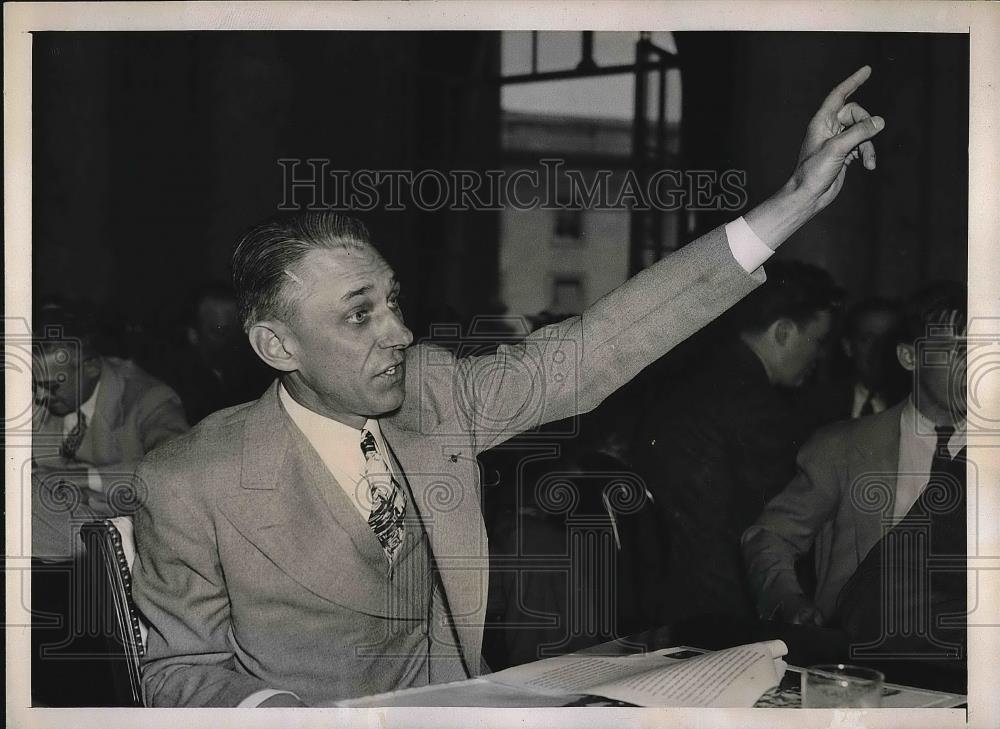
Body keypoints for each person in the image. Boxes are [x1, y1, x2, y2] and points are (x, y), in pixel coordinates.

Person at [131, 67, 886, 707]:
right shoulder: (192, 478)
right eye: (360, 316)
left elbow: (596, 347)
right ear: (277, 345)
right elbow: (173, 670)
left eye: (392, 300)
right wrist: (275, 714)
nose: (398, 331)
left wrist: (789, 203)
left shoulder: (430, 390)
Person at [741, 282, 967, 630]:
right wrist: (789, 601)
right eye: (958, 351)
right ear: (910, 357)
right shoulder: (842, 447)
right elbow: (770, 536)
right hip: (856, 652)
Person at [633, 260, 842, 623]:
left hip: (655, 592)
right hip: (709, 611)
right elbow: (771, 529)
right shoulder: (753, 404)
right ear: (783, 332)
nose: (820, 357)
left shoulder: (696, 375)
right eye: (818, 341)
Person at [30, 302, 189, 706]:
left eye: (53, 385)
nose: (42, 396)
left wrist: (82, 479)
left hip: (137, 565)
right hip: (66, 566)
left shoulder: (147, 398)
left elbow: (173, 472)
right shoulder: (42, 394)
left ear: (91, 368)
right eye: (38, 385)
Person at [165, 282, 272, 424]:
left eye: (238, 329)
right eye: (220, 330)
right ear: (193, 334)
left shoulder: (257, 374)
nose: (232, 339)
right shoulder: (175, 389)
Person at [797, 296, 904, 431]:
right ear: (848, 347)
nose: (879, 349)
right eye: (867, 340)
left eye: (889, 339)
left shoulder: (913, 406)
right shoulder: (817, 403)